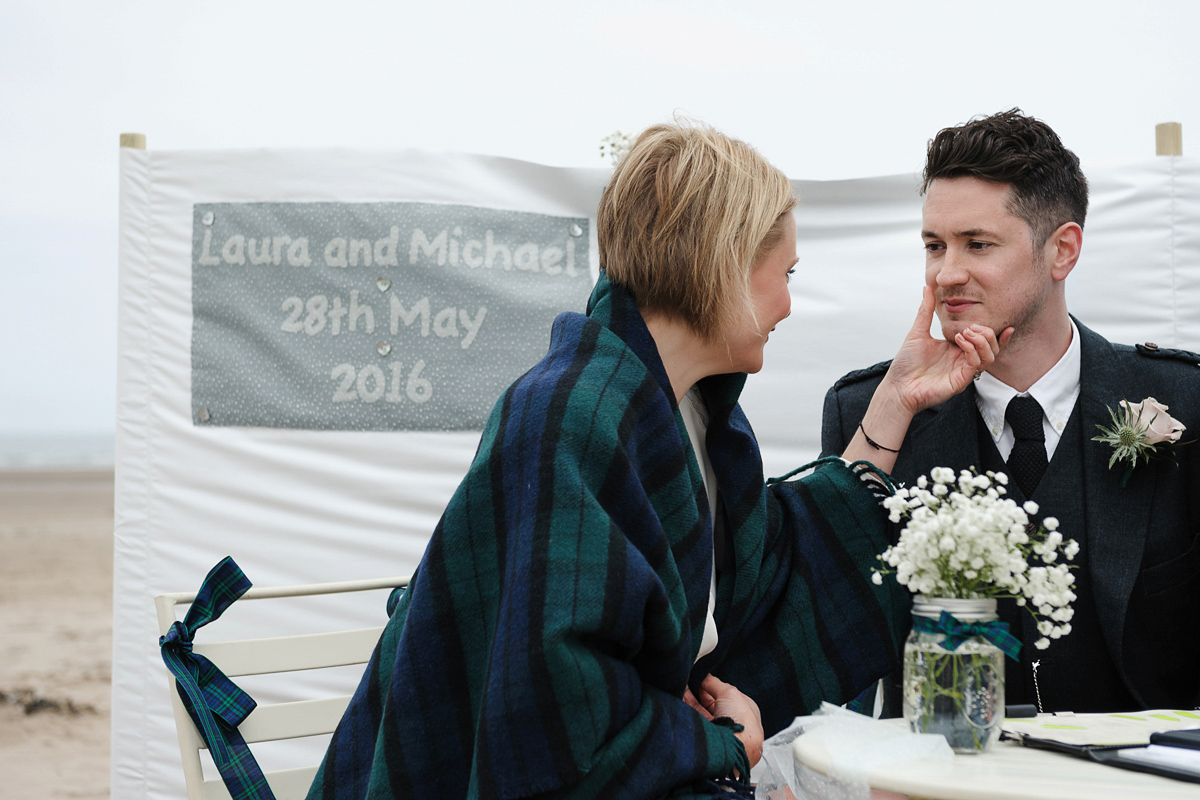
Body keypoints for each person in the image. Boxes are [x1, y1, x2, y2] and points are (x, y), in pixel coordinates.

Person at [308, 121, 1003, 800]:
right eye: (784, 274)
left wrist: (896, 402)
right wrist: (722, 746)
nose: (789, 305)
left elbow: (764, 577)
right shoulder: (568, 414)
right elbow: (558, 711)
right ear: (722, 261)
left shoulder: (690, 411)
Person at [822, 109, 1200, 715]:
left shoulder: (1184, 402)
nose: (947, 274)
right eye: (933, 246)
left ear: (1062, 251)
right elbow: (826, 609)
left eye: (977, 244)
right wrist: (894, 405)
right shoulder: (868, 412)